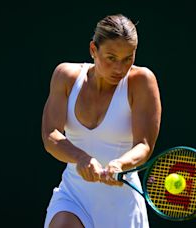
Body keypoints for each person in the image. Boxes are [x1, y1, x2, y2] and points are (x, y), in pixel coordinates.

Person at [41, 14, 162, 228]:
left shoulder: (142, 81)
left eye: (128, 58)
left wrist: (120, 164)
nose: (120, 68)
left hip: (123, 209)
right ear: (93, 50)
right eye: (111, 58)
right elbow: (51, 135)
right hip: (74, 198)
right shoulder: (65, 76)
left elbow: (144, 145)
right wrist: (81, 157)